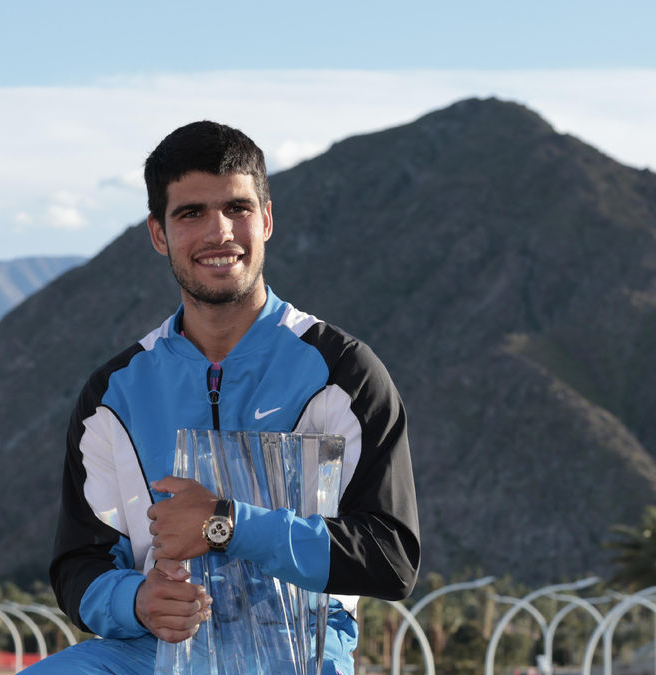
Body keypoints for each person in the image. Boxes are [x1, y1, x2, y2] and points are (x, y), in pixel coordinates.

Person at [29, 121, 419, 675]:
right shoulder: (113, 394)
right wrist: (136, 602)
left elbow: (390, 558)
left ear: (266, 218)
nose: (219, 232)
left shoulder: (344, 374)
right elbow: (78, 564)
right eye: (191, 213)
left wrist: (227, 525)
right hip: (153, 653)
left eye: (237, 208)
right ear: (159, 233)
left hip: (298, 653)